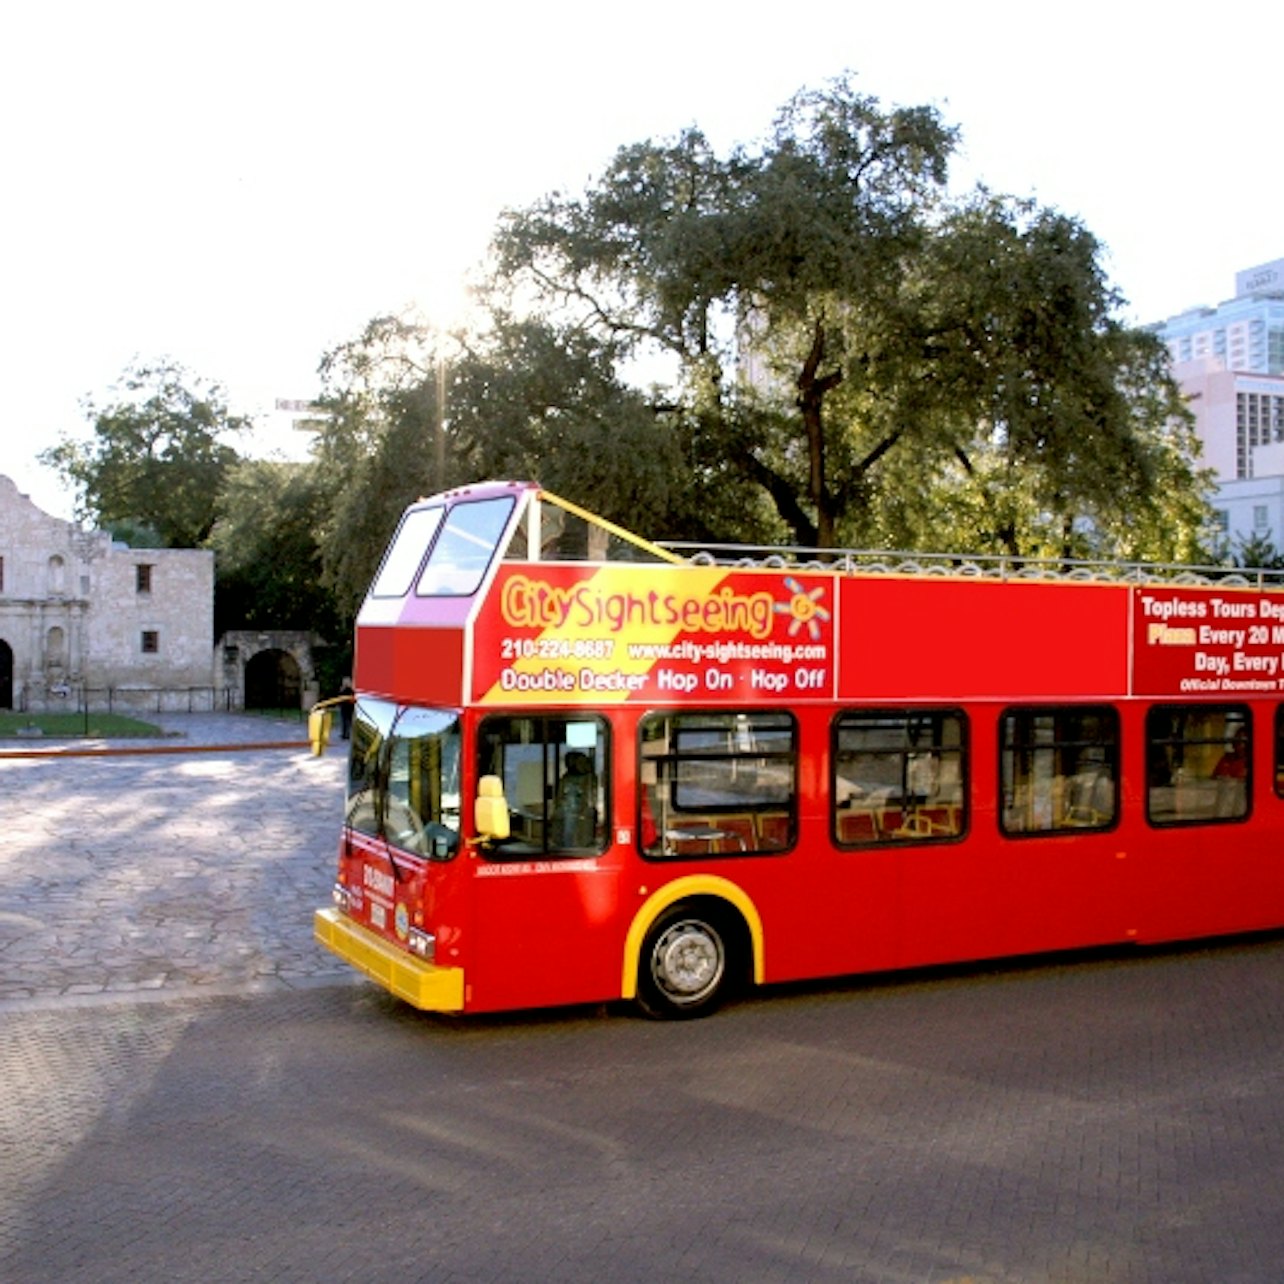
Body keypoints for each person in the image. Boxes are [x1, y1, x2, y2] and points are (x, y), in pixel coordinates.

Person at [552, 750, 596, 847]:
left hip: (580, 810)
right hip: (567, 809)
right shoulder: (566, 778)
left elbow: (590, 797)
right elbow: (559, 796)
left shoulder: (588, 778)